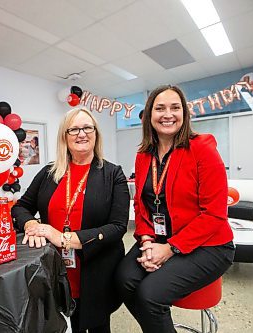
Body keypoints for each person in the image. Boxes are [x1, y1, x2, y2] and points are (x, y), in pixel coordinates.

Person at [115, 85, 235, 333]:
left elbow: (214, 214)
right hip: (158, 238)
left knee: (150, 294)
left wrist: (169, 249)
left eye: (175, 107)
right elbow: (141, 204)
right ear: (149, 115)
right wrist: (147, 240)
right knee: (122, 281)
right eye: (159, 108)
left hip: (209, 245)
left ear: (184, 113)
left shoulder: (202, 148)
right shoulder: (143, 154)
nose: (167, 114)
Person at [12, 107, 129, 333]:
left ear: (96, 133)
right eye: (73, 129)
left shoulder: (113, 174)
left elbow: (118, 227)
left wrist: (63, 238)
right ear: (64, 136)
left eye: (87, 127)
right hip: (55, 269)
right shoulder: (49, 173)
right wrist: (31, 224)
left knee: (98, 325)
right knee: (60, 325)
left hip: (96, 270)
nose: (81, 134)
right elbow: (22, 207)